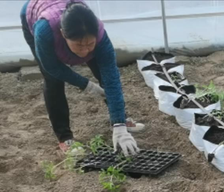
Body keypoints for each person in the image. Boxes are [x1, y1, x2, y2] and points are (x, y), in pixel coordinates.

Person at [21, 0, 142, 155]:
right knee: (53, 81)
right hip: (34, 13)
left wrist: (119, 125)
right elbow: (52, 67)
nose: (85, 51)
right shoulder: (44, 31)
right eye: (79, 45)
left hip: (71, 23)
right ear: (63, 34)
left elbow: (111, 77)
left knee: (103, 74)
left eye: (90, 44)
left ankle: (120, 120)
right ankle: (64, 137)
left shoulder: (99, 35)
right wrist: (86, 84)